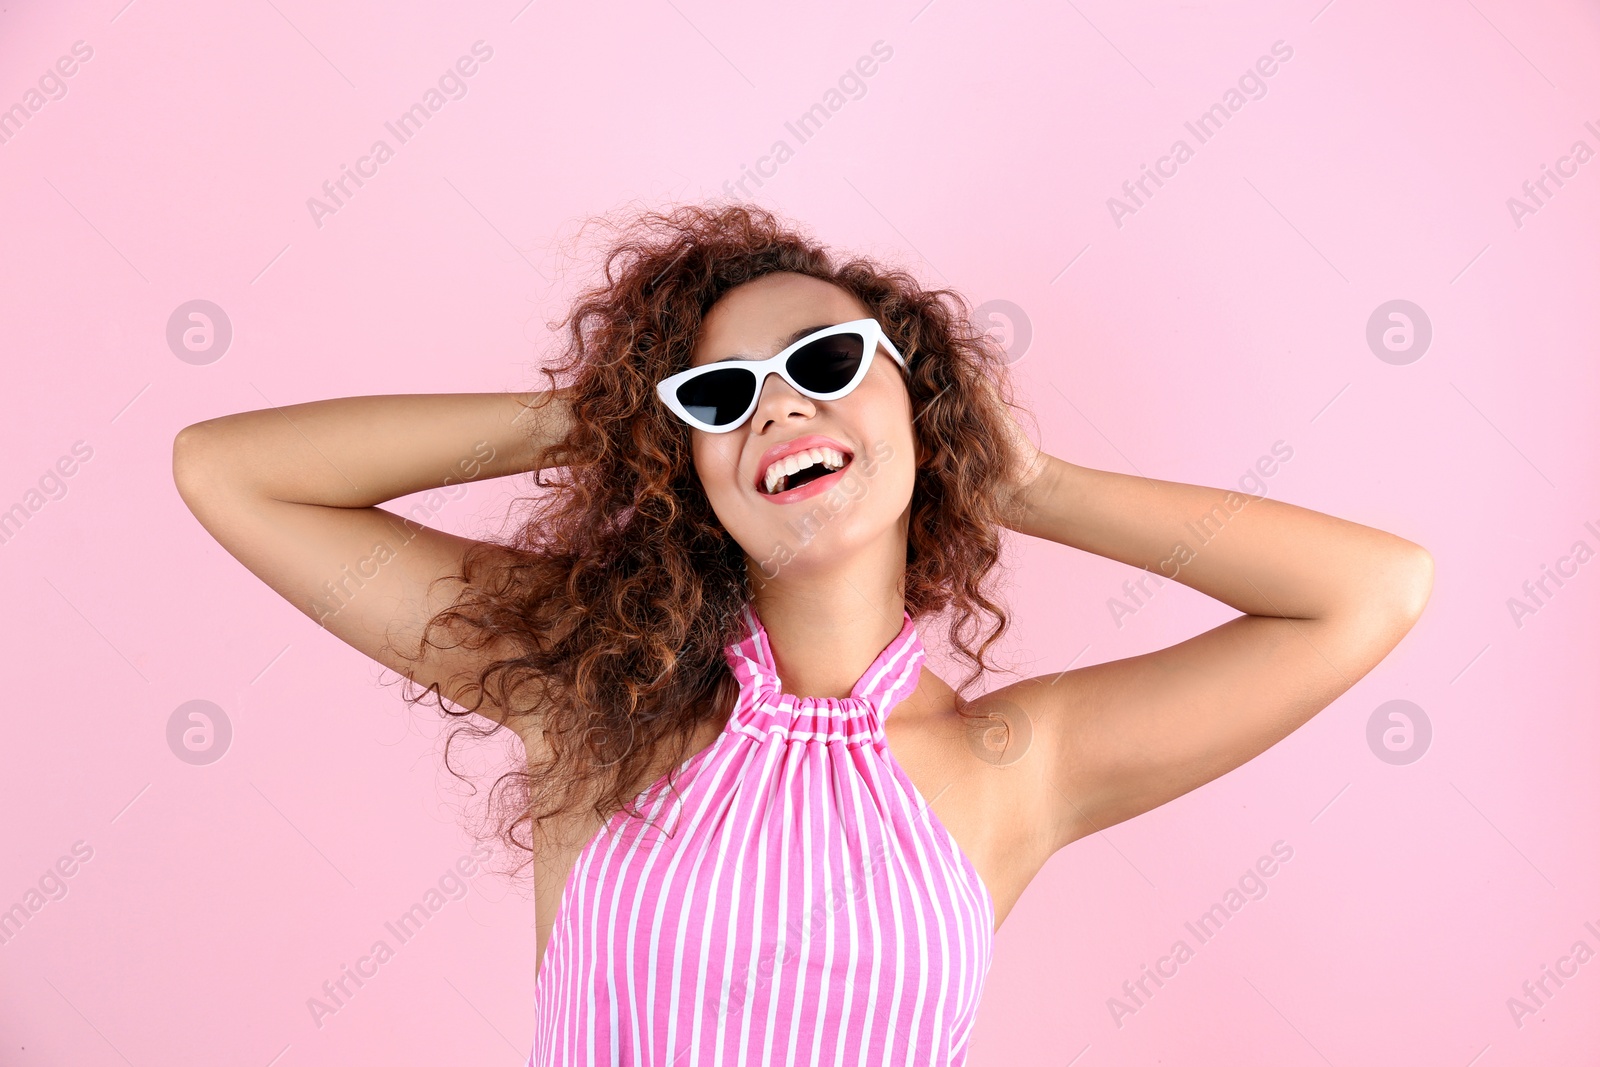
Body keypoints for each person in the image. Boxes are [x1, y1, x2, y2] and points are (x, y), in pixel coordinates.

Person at [171, 202, 1433, 1064]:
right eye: (718, 394)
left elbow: (1372, 589)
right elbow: (231, 471)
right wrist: (601, 415)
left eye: (824, 360)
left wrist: (1030, 481)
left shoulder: (1018, 763)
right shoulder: (589, 694)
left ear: (920, 395)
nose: (777, 404)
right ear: (687, 462)